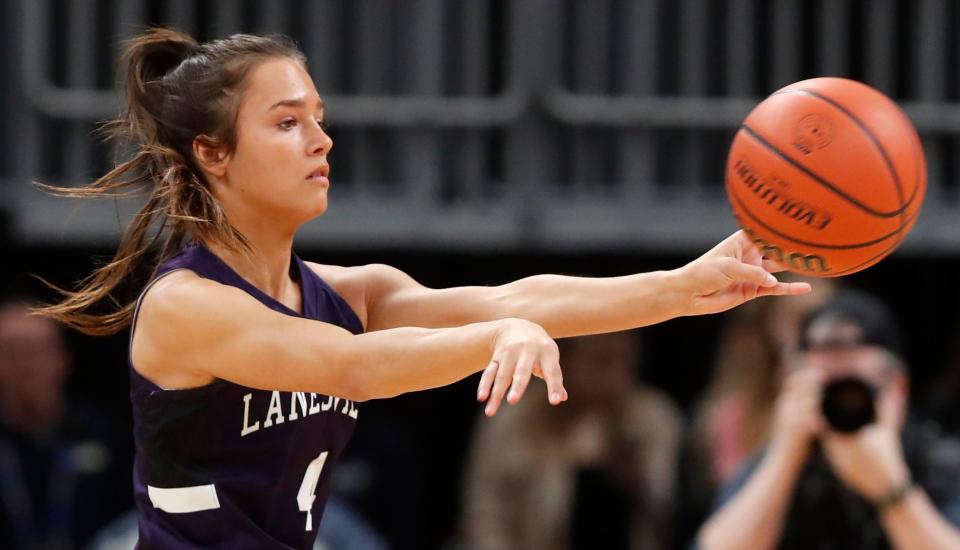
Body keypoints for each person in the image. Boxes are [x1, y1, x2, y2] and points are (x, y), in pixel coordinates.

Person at [33, 28, 808, 549]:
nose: (321, 139)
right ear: (213, 154)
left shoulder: (347, 291)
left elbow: (516, 297)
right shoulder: (187, 305)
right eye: (286, 123)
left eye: (320, 117)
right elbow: (354, 368)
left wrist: (679, 287)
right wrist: (492, 343)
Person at [696, 290, 960, 549]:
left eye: (853, 384)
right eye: (825, 385)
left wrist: (891, 486)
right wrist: (785, 457)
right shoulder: (775, 463)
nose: (841, 400)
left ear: (897, 388)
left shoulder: (939, 465)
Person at [461, 330, 683, 550]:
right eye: (599, 362)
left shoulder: (653, 419)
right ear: (562, 358)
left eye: (622, 362)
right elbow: (484, 514)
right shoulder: (515, 417)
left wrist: (636, 483)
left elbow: (671, 514)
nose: (610, 379)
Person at [0, 298, 131, 548]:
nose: (26, 366)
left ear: (62, 359)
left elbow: (134, 517)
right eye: (12, 352)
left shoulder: (104, 435)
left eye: (36, 351)